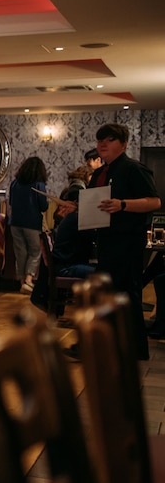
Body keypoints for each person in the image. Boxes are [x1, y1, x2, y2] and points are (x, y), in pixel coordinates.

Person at [89, 122, 161, 359]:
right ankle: (110, 346)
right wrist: (76, 208)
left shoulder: (133, 169)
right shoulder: (99, 173)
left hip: (128, 242)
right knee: (106, 295)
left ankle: (135, 350)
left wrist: (122, 204)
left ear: (124, 144)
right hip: (105, 241)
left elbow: (154, 202)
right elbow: (95, 206)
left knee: (127, 295)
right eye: (100, 140)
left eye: (109, 140)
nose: (102, 144)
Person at [8, 156, 49, 294]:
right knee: (35, 251)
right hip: (32, 223)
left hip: (15, 222)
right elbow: (43, 206)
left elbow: (11, 202)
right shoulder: (38, 184)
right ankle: (28, 280)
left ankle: (22, 282)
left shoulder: (14, 183)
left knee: (20, 252)